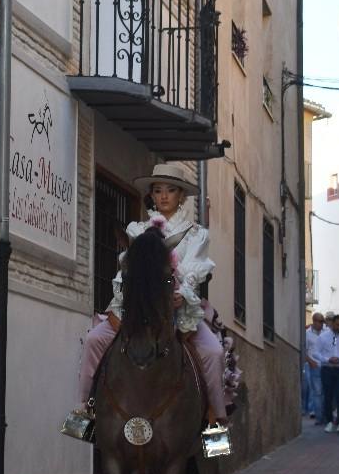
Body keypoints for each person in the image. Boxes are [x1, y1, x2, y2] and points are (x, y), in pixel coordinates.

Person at [77, 161, 229, 429]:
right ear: (152, 195)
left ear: (181, 195)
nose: (164, 196)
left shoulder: (197, 235)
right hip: (136, 306)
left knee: (214, 353)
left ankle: (215, 423)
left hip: (179, 308)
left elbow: (194, 271)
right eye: (158, 190)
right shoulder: (136, 231)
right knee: (92, 341)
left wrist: (181, 293)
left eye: (171, 190)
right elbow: (125, 269)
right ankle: (86, 412)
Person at [316, 313, 339, 432]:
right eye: (337, 324)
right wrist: (328, 359)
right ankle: (329, 421)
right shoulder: (322, 337)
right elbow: (316, 353)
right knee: (328, 396)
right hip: (327, 369)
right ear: (332, 324)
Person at [303, 313, 325, 422]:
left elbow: (334, 345)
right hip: (313, 365)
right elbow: (304, 351)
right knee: (316, 391)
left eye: (322, 321)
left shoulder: (326, 333)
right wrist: (310, 362)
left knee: (324, 392)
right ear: (314, 321)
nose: (322, 324)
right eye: (320, 321)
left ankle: (323, 414)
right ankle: (318, 416)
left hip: (325, 366)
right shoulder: (307, 334)